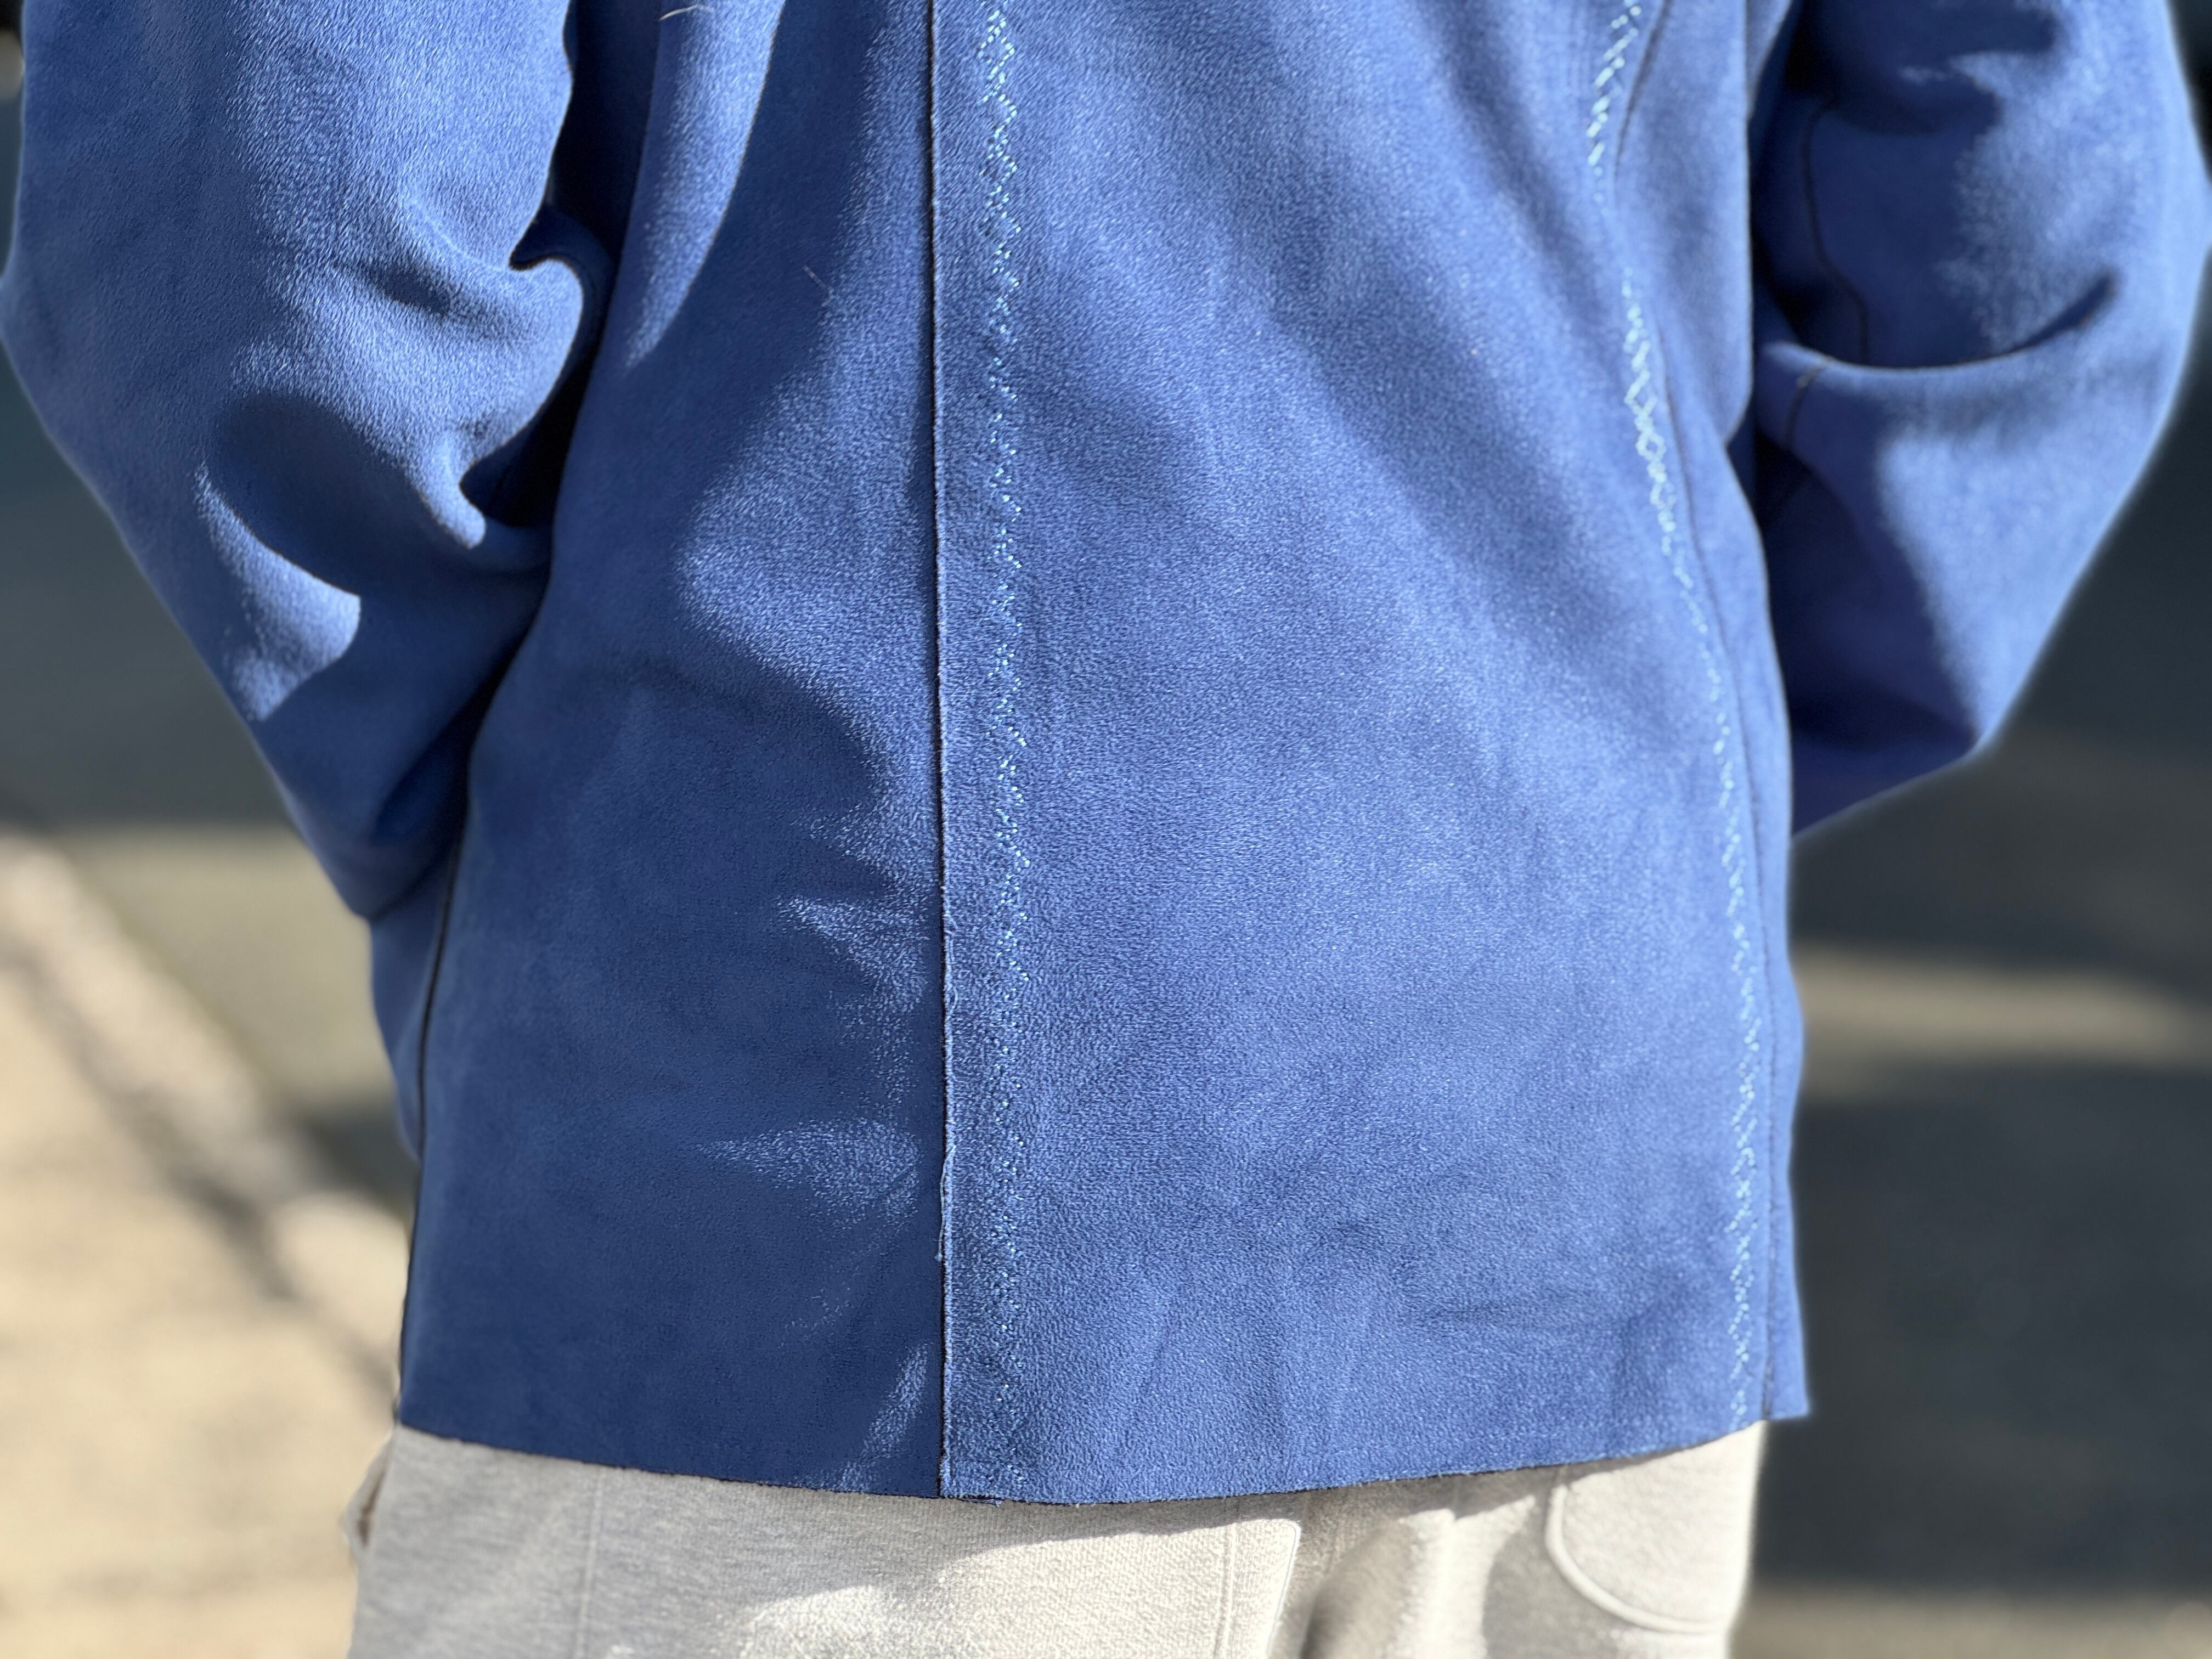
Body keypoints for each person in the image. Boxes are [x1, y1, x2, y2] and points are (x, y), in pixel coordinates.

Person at [4, 0, 2206, 1653]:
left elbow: (271, 206)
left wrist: (567, 817)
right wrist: (1615, 821)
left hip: (800, 1187)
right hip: (1575, 1179)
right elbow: (2030, 238)